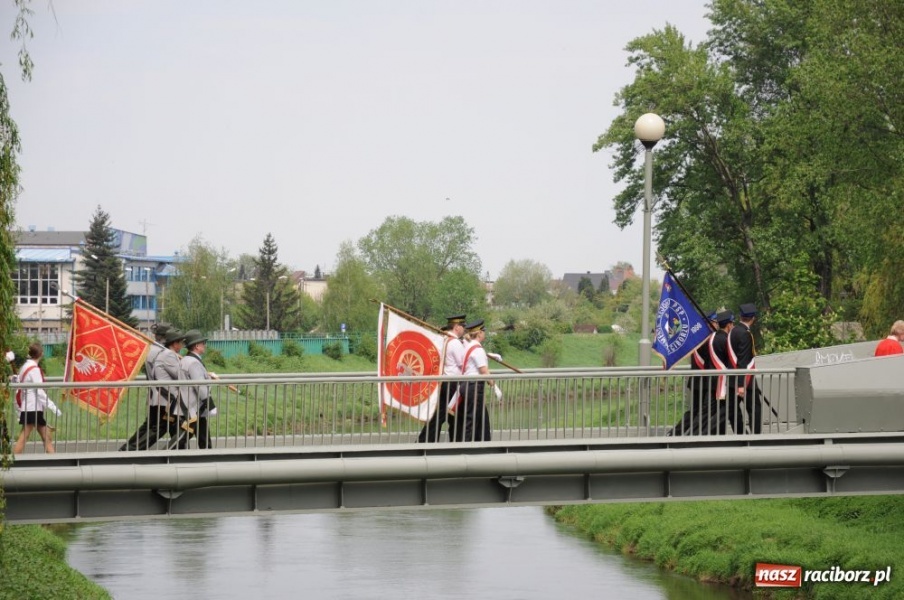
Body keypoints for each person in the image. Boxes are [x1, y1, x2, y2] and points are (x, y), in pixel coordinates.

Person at [120, 323, 176, 451]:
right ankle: (132, 450)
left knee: (153, 425)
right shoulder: (163, 353)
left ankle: (127, 449)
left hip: (154, 395)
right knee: (159, 427)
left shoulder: (151, 349)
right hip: (163, 396)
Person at [418, 314, 466, 443]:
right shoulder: (455, 343)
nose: (464, 329)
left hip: (446, 383)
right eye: (462, 326)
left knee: (449, 415)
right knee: (447, 414)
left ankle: (454, 441)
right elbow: (463, 364)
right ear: (456, 327)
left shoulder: (445, 340)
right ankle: (426, 441)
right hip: (452, 383)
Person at [671, 311, 719, 436]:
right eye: (715, 322)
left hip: (700, 380)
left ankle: (680, 433)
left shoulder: (700, 337)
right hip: (703, 380)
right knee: (700, 411)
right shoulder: (706, 339)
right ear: (710, 322)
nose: (717, 324)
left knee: (698, 411)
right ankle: (685, 434)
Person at [452, 319, 493, 442]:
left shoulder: (469, 346)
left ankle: (484, 442)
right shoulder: (478, 349)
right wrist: (492, 383)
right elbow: (483, 370)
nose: (484, 334)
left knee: (481, 418)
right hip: (474, 386)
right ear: (479, 333)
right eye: (483, 332)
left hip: (468, 385)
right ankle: (467, 447)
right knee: (472, 418)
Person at [174, 330, 215, 449]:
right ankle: (167, 456)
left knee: (202, 435)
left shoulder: (187, 359)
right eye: (203, 343)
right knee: (184, 436)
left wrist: (207, 376)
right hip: (193, 407)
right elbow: (200, 386)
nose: (204, 345)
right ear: (197, 346)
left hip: (192, 406)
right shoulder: (193, 362)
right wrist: (210, 404)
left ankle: (208, 454)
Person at [12, 343, 55, 454]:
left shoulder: (25, 366)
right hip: (32, 407)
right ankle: (11, 463)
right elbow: (39, 389)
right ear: (41, 354)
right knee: (24, 437)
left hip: (31, 407)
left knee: (46, 437)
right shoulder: (34, 369)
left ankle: (55, 461)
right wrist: (52, 406)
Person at [727, 303, 764, 434]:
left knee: (732, 409)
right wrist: (742, 384)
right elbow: (743, 360)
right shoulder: (745, 334)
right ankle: (755, 436)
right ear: (753, 318)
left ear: (741, 317)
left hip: (734, 378)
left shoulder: (733, 331)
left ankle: (741, 433)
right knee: (755, 409)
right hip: (745, 380)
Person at [709, 310, 738, 435]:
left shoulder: (714, 337)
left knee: (725, 410)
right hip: (723, 380)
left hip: (714, 379)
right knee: (727, 410)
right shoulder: (726, 340)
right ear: (729, 325)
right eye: (732, 323)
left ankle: (724, 434)